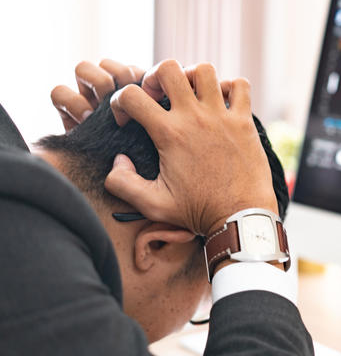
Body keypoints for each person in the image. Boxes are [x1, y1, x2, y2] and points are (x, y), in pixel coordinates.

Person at [0, 59, 314, 355]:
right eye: (204, 312)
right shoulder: (45, 292)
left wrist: (100, 137)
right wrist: (247, 228)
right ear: (160, 244)